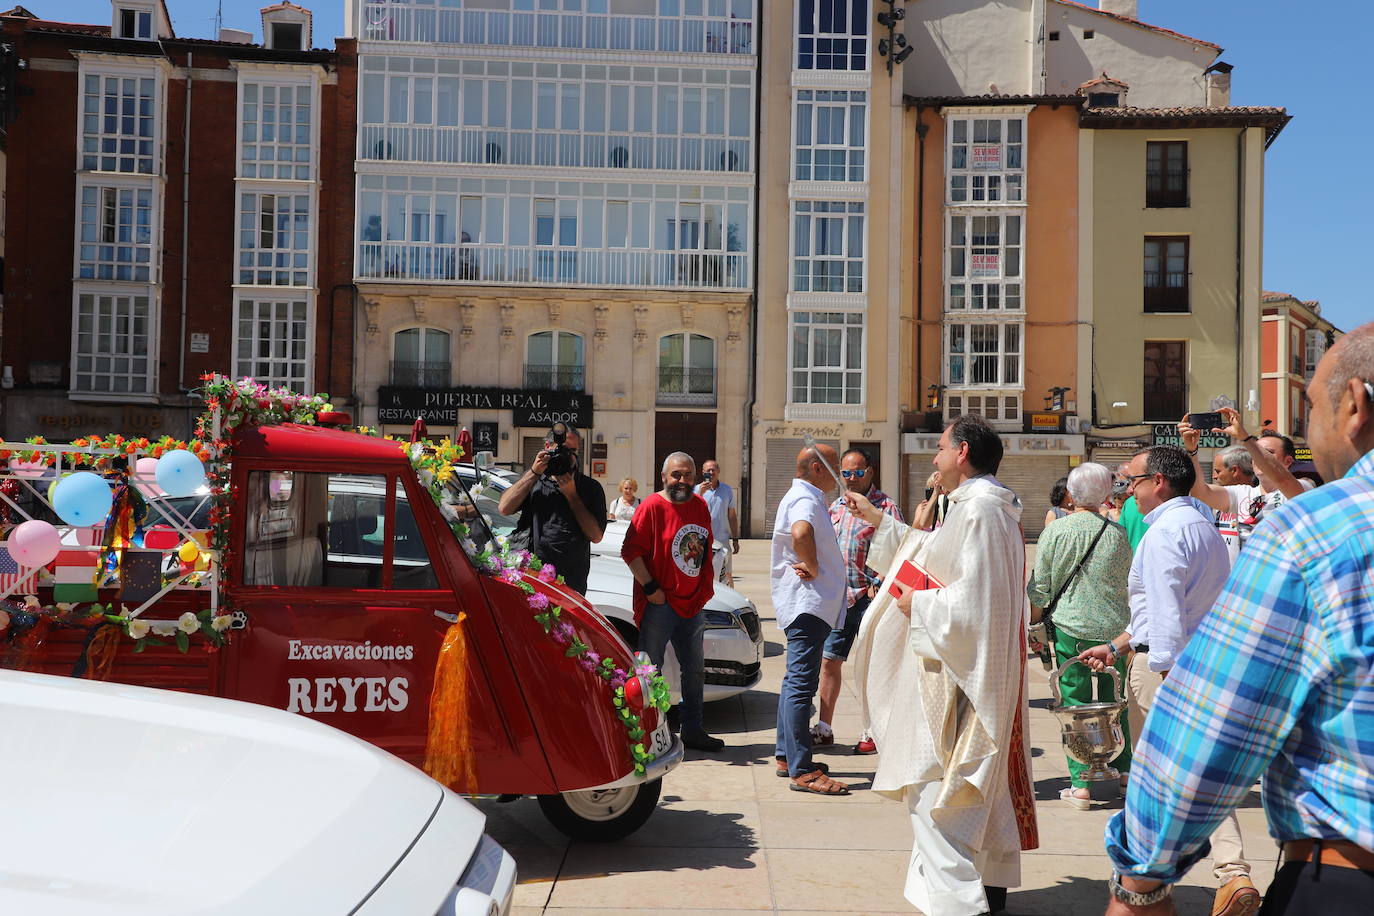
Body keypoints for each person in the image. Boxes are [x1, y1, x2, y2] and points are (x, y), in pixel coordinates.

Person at [1100, 325, 1374, 916]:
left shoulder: (1305, 523)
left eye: (1309, 411)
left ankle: (1230, 871)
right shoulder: (1221, 510)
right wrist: (1194, 446)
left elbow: (1216, 734)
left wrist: (1139, 880)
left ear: (1355, 405)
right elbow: (1196, 488)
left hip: (1350, 874)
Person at [848, 415, 1037, 916]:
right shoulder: (974, 508)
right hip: (949, 667)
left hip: (955, 681)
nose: (933, 458)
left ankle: (962, 905)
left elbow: (979, 602)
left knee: (937, 795)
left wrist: (920, 605)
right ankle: (978, 894)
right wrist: (878, 521)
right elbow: (930, 554)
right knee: (944, 795)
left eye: (939, 448)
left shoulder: (981, 512)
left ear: (963, 451)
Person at [1077, 446, 1242, 914]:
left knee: (1171, 780)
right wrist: (1118, 645)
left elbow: (1167, 613)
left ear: (1160, 483)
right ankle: (1205, 876)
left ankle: (1215, 875)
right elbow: (1159, 610)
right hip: (1186, 662)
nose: (1128, 489)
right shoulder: (1199, 525)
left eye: (1132, 480)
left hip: (1167, 672)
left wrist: (1168, 675)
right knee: (1183, 778)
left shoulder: (1168, 531)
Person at [1026, 462, 1133, 809]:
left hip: (1071, 629)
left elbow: (1041, 587)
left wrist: (1035, 626)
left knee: (1074, 704)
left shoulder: (1057, 532)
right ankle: (1124, 772)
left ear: (1070, 494)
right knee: (1116, 702)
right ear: (1105, 494)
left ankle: (1080, 782)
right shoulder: (1117, 533)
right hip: (1114, 631)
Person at [621, 452, 723, 752]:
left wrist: (704, 589)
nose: (682, 480)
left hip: (693, 603)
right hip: (660, 604)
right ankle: (647, 731)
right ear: (664, 476)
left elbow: (703, 549)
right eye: (676, 474)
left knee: (694, 669)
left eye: (688, 475)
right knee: (648, 669)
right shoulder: (651, 506)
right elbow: (631, 550)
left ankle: (693, 729)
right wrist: (651, 588)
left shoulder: (700, 505)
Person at [771, 442, 850, 796]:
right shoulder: (804, 498)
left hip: (809, 605)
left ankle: (787, 756)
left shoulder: (805, 495)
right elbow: (801, 533)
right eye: (834, 466)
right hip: (808, 606)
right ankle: (801, 769)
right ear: (818, 469)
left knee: (794, 684)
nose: (839, 474)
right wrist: (815, 567)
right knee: (801, 686)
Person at [819, 447, 903, 756]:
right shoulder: (836, 506)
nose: (851, 479)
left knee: (871, 668)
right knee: (829, 662)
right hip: (841, 600)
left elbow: (898, 549)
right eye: (846, 473)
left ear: (870, 472)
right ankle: (824, 728)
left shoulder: (885, 507)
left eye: (857, 472)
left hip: (871, 600)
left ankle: (871, 731)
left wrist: (878, 584)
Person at [1180, 408, 1312, 565]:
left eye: (1267, 452)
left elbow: (1283, 481)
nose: (1257, 457)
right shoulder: (1242, 493)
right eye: (1254, 452)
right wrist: (1192, 451)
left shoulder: (1303, 488)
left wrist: (1245, 437)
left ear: (1288, 461)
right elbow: (1200, 492)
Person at [497, 427, 607, 594]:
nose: (567, 456)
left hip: (571, 584)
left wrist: (572, 496)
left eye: (572, 451)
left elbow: (596, 536)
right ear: (547, 447)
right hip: (533, 578)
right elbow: (504, 508)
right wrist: (534, 472)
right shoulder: (534, 480)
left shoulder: (590, 487)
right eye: (561, 450)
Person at [695, 458, 740, 585]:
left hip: (722, 541)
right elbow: (690, 513)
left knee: (726, 576)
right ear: (703, 472)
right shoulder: (695, 491)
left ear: (718, 471)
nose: (711, 472)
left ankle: (731, 602)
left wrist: (735, 539)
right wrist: (700, 494)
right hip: (701, 542)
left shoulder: (727, 490)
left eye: (713, 469)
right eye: (707, 470)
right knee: (701, 576)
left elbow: (732, 516)